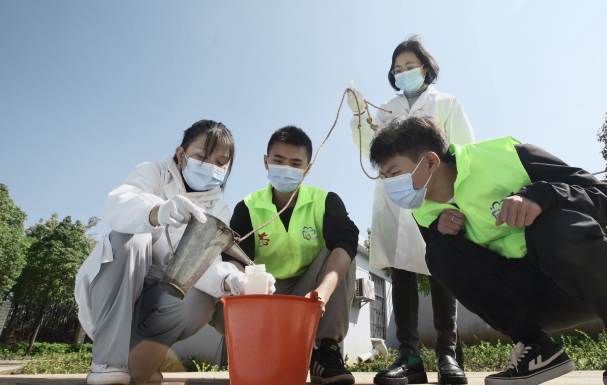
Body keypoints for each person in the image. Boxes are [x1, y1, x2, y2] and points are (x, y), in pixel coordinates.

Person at [367, 116, 607, 385]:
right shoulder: (424, 210)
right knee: (439, 253)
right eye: (384, 178)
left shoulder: (508, 156)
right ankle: (536, 349)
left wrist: (542, 195)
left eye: (394, 174)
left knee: (552, 223)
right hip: (535, 304)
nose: (390, 186)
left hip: (593, 282)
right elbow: (465, 274)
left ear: (430, 162)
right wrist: (439, 233)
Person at [74, 120, 271, 385]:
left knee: (201, 301)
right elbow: (117, 204)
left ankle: (140, 361)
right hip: (112, 298)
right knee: (133, 239)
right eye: (202, 156)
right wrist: (157, 212)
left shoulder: (218, 209)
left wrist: (231, 279)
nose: (211, 166)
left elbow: (201, 266)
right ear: (181, 154)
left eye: (221, 161)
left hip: (154, 304)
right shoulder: (153, 172)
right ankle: (108, 363)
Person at [346, 36, 473, 385]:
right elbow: (367, 147)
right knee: (402, 272)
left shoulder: (446, 103)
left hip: (437, 195)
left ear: (426, 68)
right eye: (397, 68)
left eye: (409, 66)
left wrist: (459, 199)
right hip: (396, 198)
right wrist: (359, 115)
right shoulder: (386, 109)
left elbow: (465, 150)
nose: (402, 72)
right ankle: (409, 356)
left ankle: (448, 353)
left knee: (441, 269)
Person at [227, 126, 359, 385]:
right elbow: (234, 260)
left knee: (343, 247)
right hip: (265, 297)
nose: (286, 168)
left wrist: (321, 294)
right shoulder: (247, 208)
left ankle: (326, 350)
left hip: (310, 294)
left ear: (307, 168)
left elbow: (345, 243)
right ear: (266, 162)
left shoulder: (325, 201)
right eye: (278, 160)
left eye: (296, 163)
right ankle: (262, 348)